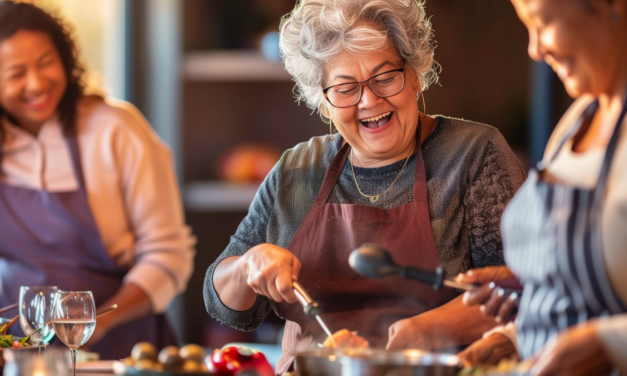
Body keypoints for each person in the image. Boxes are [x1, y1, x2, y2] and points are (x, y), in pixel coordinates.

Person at [203, 0, 526, 373]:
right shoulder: (297, 169)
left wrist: (426, 329)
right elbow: (225, 303)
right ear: (323, 102)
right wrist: (247, 265)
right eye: (344, 88)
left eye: (385, 77)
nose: (369, 100)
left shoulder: (472, 153)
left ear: (416, 73)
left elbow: (518, 290)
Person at [0, 1, 195, 359]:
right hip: (17, 353)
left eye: (46, 62)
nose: (37, 83)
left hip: (123, 346)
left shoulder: (114, 130)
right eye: (15, 74)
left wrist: (95, 325)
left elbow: (169, 254)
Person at [457, 0, 627, 375]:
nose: (534, 48)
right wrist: (511, 338)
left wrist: (608, 343)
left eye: (543, 23)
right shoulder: (577, 121)